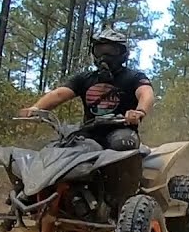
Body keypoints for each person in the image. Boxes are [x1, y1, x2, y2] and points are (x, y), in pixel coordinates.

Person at [18, 29, 154, 150]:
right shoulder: (85, 78)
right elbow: (59, 94)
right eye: (99, 51)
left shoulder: (133, 77)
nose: (104, 56)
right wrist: (36, 108)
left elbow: (145, 93)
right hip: (89, 132)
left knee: (122, 144)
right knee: (64, 148)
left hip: (122, 131)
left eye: (110, 51)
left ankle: (129, 179)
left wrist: (139, 111)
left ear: (122, 53)